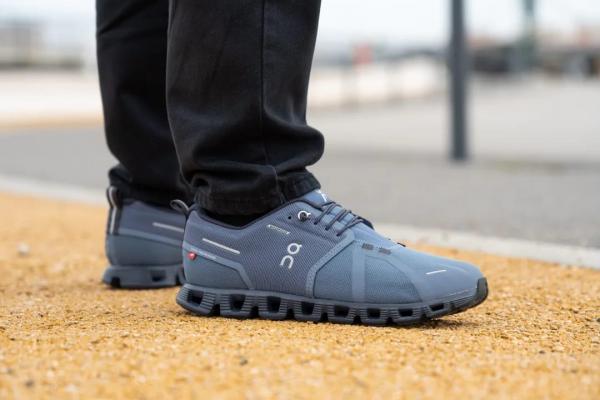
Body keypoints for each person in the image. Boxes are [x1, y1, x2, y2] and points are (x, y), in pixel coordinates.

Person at [97, 0, 488, 325]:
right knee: (245, 184)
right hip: (250, 194)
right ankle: (251, 199)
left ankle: (153, 195)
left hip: (156, 187)